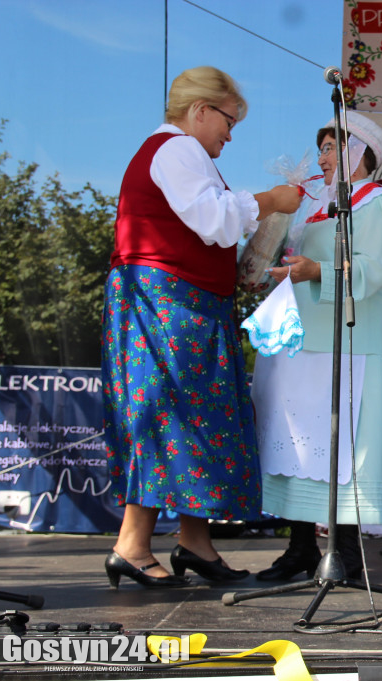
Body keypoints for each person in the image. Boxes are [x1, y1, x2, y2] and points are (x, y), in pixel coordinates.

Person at [102, 66, 303, 588]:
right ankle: (131, 544)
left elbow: (206, 225)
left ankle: (194, 541)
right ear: (200, 111)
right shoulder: (175, 148)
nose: (230, 135)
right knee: (168, 413)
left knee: (201, 417)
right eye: (229, 121)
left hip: (187, 302)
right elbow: (214, 219)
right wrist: (271, 201)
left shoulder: (182, 154)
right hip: (166, 301)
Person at [252, 112, 382, 581]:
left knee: (346, 441)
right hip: (300, 337)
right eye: (320, 148)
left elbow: (375, 266)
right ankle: (300, 546)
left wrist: (315, 271)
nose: (322, 158)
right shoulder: (311, 207)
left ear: (360, 154)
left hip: (353, 338)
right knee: (299, 442)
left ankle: (347, 555)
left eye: (331, 147)